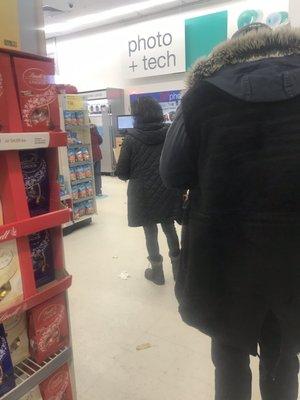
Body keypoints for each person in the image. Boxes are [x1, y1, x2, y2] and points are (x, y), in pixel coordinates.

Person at [160, 25, 300, 400]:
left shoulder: (201, 96)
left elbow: (172, 173)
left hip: (223, 256)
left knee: (229, 353)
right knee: (284, 353)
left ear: (232, 50)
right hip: (293, 257)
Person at [115, 97, 181, 285]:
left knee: (150, 232)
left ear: (137, 115)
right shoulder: (169, 133)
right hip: (167, 188)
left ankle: (157, 273)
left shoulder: (130, 139)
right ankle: (179, 273)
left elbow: (121, 173)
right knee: (169, 228)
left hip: (143, 195)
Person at [90, 124, 103, 196]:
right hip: (97, 154)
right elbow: (100, 140)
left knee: (90, 174)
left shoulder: (85, 131)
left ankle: (91, 191)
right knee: (97, 173)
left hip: (90, 155)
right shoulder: (95, 129)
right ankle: (98, 191)